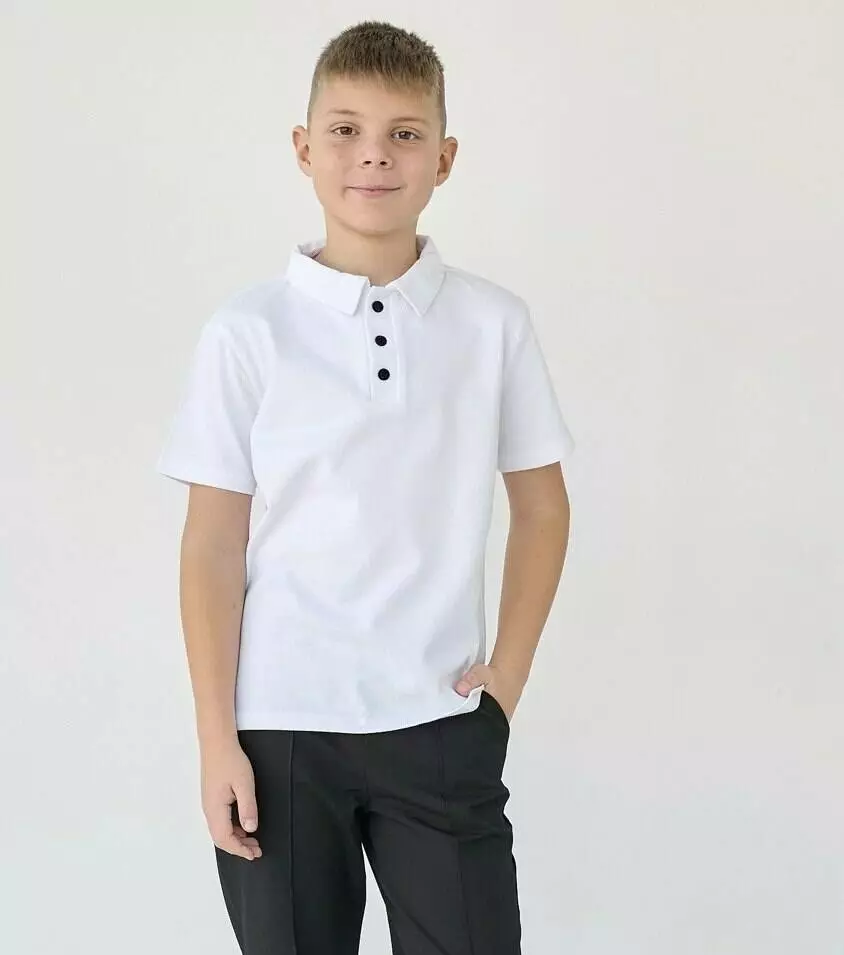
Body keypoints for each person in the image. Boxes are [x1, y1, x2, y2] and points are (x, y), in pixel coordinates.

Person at [156, 18, 575, 955]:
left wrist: (505, 682)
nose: (374, 155)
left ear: (444, 157)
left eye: (404, 133)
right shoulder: (248, 332)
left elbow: (543, 507)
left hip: (441, 719)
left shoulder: (493, 324)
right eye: (345, 130)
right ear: (304, 149)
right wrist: (216, 738)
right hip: (279, 729)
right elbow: (212, 541)